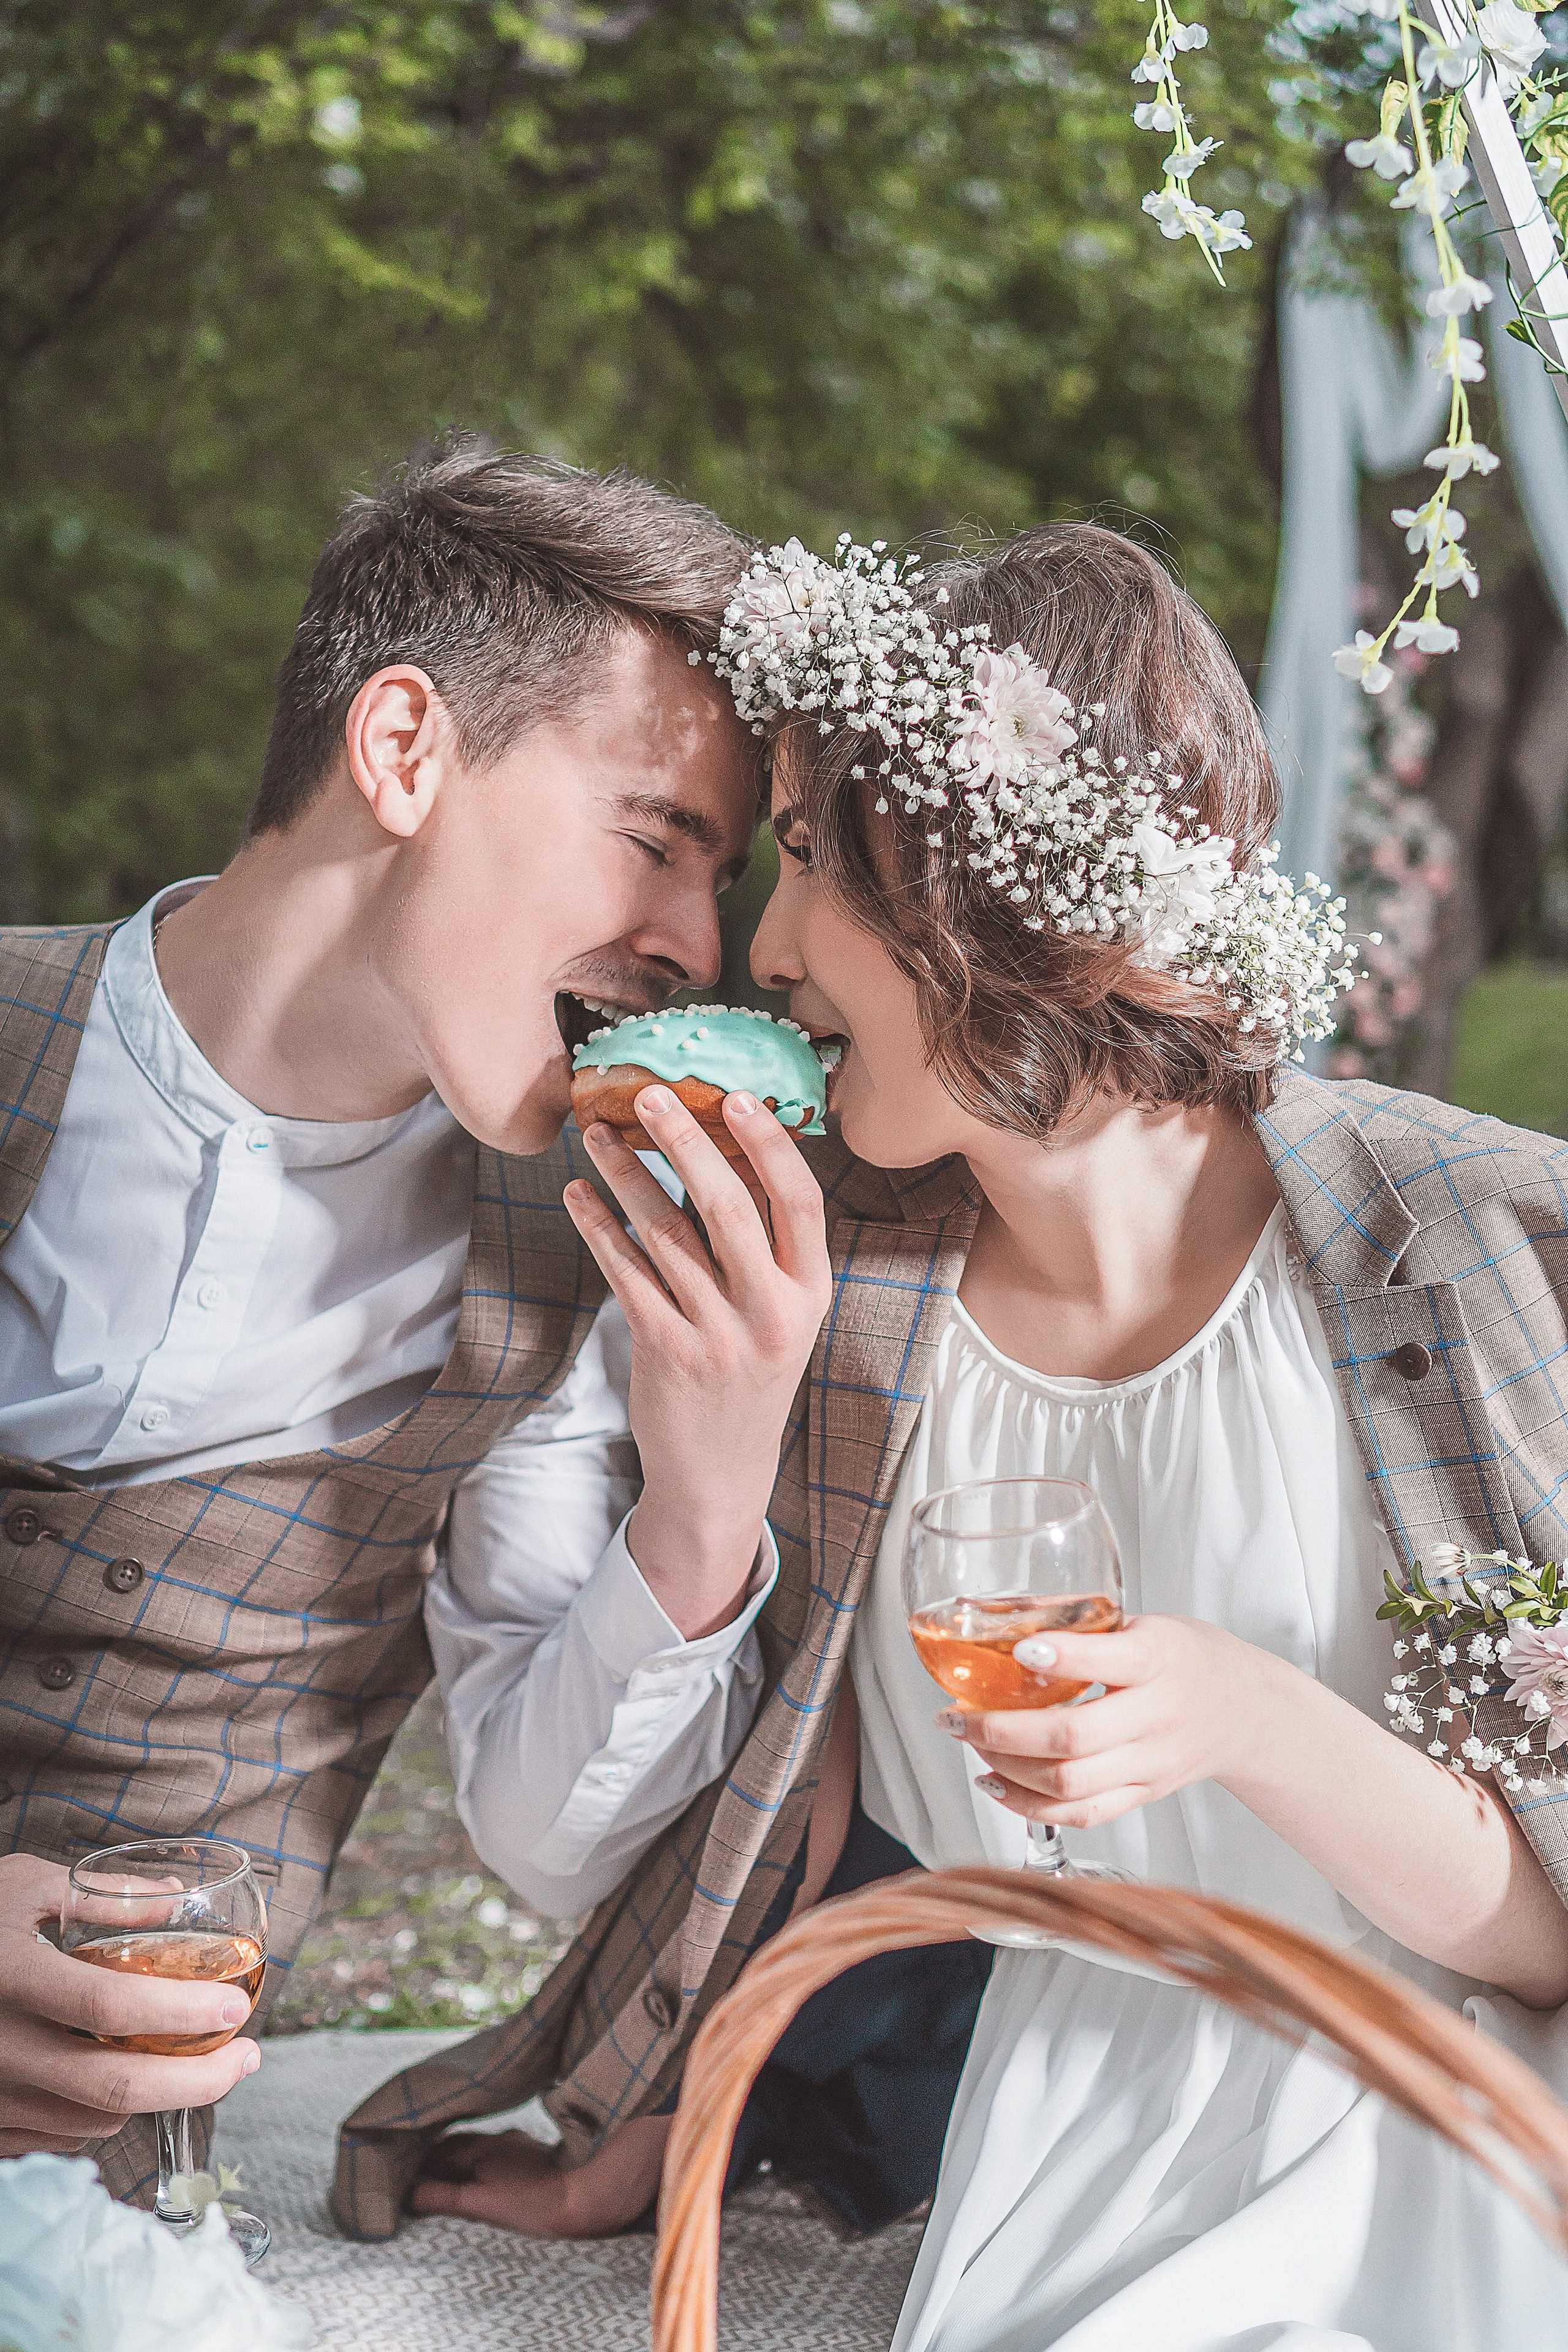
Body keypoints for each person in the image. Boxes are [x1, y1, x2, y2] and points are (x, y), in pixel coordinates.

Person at [349, 521, 1568, 2344]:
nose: (761, 945)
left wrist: (1243, 1713)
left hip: (1447, 2112)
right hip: (1059, 2116)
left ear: (986, 881)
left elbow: (1547, 1932)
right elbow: (794, 1816)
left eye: (815, 862)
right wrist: (666, 2126)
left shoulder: (1468, 1256)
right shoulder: (824, 1292)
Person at [0, 439, 832, 2205]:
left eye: (722, 881)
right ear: (403, 751)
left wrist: (703, 1500)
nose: (701, 945)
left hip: (85, 2184)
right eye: (657, 842)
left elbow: (540, 1846)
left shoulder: (561, 1261)